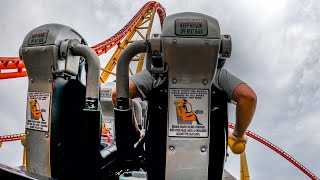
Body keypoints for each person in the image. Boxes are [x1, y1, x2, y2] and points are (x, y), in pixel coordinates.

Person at [112, 68, 257, 154]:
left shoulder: (155, 76)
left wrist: (137, 133)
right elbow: (248, 97)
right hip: (210, 164)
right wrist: (237, 135)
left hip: (158, 162)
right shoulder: (218, 76)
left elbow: (118, 93)